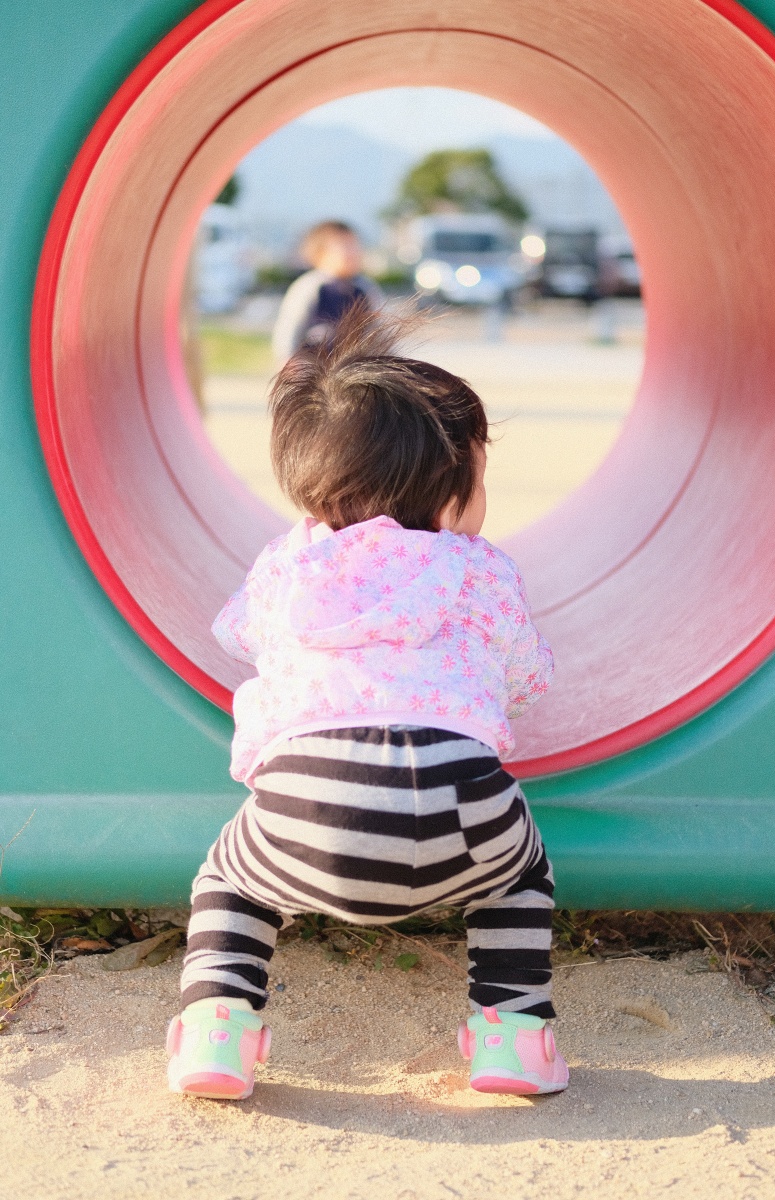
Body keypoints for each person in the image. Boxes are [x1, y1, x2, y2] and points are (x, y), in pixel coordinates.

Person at [166, 305, 569, 1101]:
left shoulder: (284, 566)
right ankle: (514, 1038)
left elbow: (238, 635)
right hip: (464, 802)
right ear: (453, 497)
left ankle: (218, 1027)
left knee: (231, 878)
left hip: (310, 811)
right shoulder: (478, 568)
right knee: (518, 878)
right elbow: (525, 674)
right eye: (479, 479)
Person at [271, 221, 383, 365]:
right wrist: (287, 360)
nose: (353, 253)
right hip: (314, 368)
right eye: (345, 247)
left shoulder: (365, 288)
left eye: (355, 246)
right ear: (320, 254)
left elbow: (379, 329)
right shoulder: (310, 286)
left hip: (352, 368)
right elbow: (289, 328)